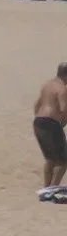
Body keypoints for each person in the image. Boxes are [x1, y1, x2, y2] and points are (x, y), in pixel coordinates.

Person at [34, 64, 67, 192]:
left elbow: (36, 106)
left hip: (38, 122)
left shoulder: (47, 85)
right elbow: (64, 110)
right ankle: (53, 188)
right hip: (51, 123)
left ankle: (46, 188)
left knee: (50, 159)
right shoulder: (63, 89)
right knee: (63, 161)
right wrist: (61, 123)